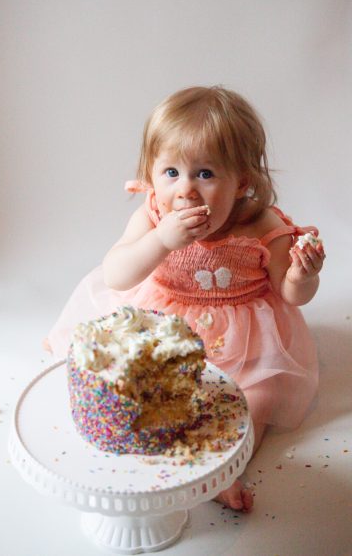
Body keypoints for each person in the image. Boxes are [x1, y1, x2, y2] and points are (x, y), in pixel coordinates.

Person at [47, 86, 325, 512]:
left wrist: (303, 275)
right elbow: (117, 275)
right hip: (162, 323)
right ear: (152, 172)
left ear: (242, 183)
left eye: (206, 174)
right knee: (140, 383)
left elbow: (292, 295)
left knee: (258, 399)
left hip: (243, 339)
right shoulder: (153, 216)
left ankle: (227, 470)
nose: (186, 190)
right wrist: (160, 240)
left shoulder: (261, 225)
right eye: (171, 172)